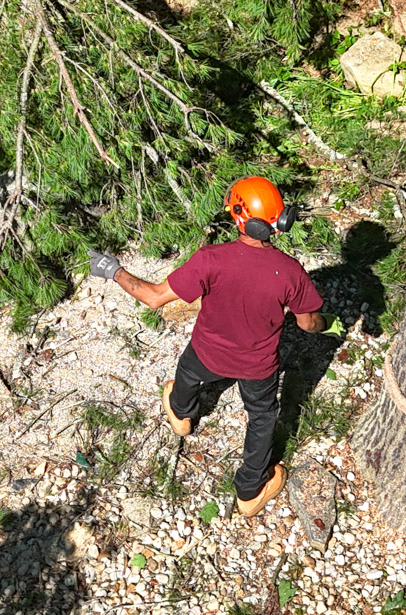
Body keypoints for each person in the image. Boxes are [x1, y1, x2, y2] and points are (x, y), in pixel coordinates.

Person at [88, 176, 342, 518]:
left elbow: (153, 297)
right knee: (263, 416)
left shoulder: (211, 259)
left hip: (207, 352)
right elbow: (308, 324)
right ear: (280, 221)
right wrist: (327, 323)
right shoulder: (290, 271)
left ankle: (181, 415)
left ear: (237, 217)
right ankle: (250, 491)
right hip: (258, 366)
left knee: (188, 372)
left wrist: (113, 270)